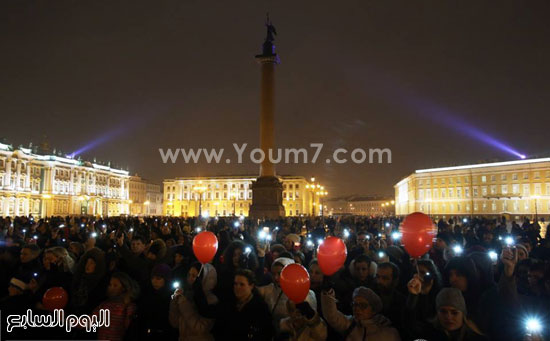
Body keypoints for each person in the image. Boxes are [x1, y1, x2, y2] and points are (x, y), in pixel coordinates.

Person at [195, 269, 274, 340]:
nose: (237, 287)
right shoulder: (229, 302)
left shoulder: (260, 307)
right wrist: (197, 287)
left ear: (251, 286)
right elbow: (207, 311)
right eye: (235, 284)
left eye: (242, 284)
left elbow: (266, 332)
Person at [321, 286, 400, 340]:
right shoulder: (351, 324)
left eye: (363, 305)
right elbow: (332, 316)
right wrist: (328, 294)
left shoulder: (388, 333)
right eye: (355, 304)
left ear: (373, 309)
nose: (357, 309)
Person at [409, 288, 487, 341]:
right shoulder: (428, 333)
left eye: (454, 313)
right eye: (443, 312)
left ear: (463, 314)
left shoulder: (476, 338)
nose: (448, 317)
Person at [169, 262, 215, 341]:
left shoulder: (210, 299)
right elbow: (175, 323)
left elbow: (201, 328)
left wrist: (183, 303)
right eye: (189, 275)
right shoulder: (186, 294)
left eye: (194, 276)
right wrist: (174, 302)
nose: (190, 278)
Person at [93, 272, 140, 341]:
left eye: (115, 285)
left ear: (123, 288)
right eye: (110, 284)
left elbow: (131, 329)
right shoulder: (104, 304)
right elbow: (92, 319)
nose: (111, 288)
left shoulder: (128, 307)